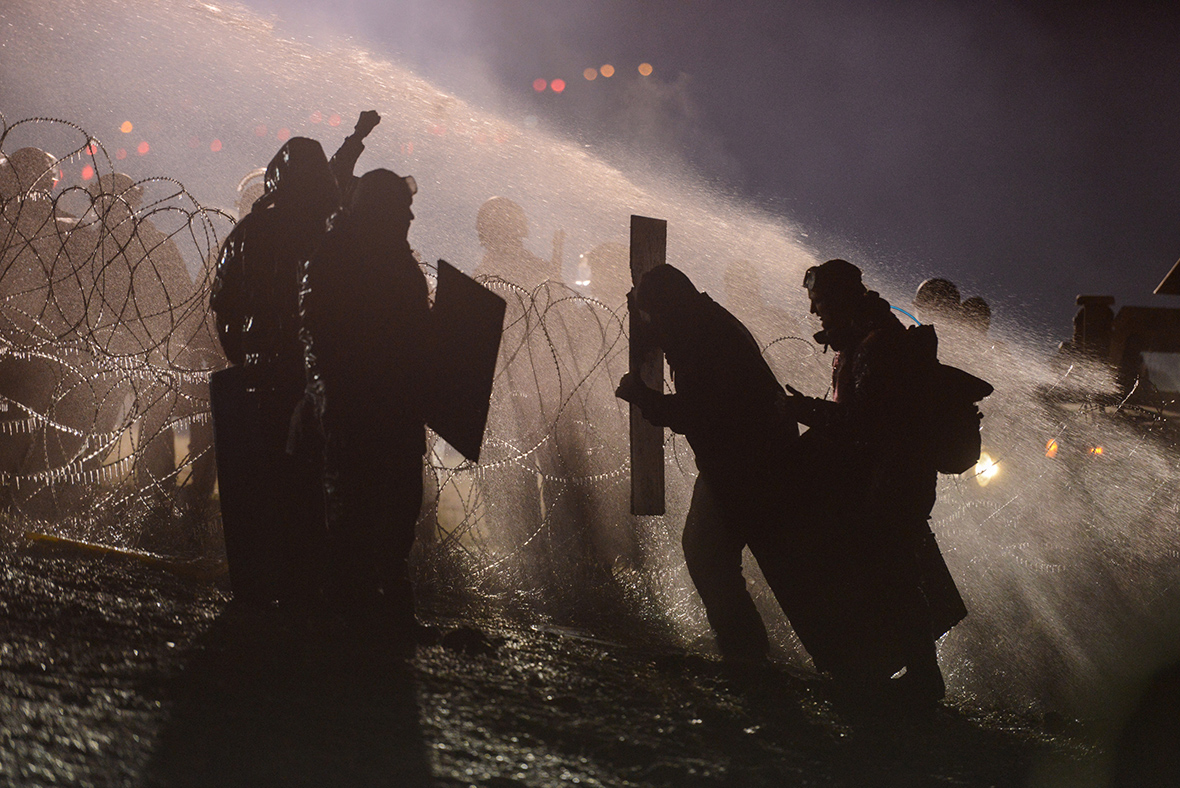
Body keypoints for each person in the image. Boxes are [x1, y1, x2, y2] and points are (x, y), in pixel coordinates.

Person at [209, 111, 380, 606]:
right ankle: (313, 580)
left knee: (268, 482)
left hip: (266, 371)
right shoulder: (332, 228)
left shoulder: (253, 229)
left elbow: (224, 303)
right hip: (316, 375)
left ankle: (271, 580)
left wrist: (242, 359)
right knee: (314, 481)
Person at [782, 259, 966, 707]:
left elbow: (867, 422)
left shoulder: (879, 345)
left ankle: (923, 678)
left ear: (843, 299)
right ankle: (883, 667)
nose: (814, 314)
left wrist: (804, 410)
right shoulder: (863, 340)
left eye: (821, 302)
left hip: (895, 479)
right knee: (882, 573)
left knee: (894, 575)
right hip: (883, 476)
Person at [615, 264, 796, 661]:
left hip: (743, 464)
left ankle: (746, 655)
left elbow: (695, 412)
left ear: (670, 307)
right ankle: (751, 652)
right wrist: (643, 317)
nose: (656, 323)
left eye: (657, 312)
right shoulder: (703, 321)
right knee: (729, 556)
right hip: (751, 457)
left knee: (707, 553)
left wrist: (640, 395)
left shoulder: (702, 338)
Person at [299, 168, 429, 627]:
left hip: (395, 403)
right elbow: (322, 329)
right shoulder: (340, 254)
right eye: (401, 206)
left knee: (398, 503)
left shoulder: (389, 254)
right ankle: (349, 603)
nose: (411, 214)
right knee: (357, 502)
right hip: (360, 403)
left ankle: (385, 595)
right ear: (379, 209)